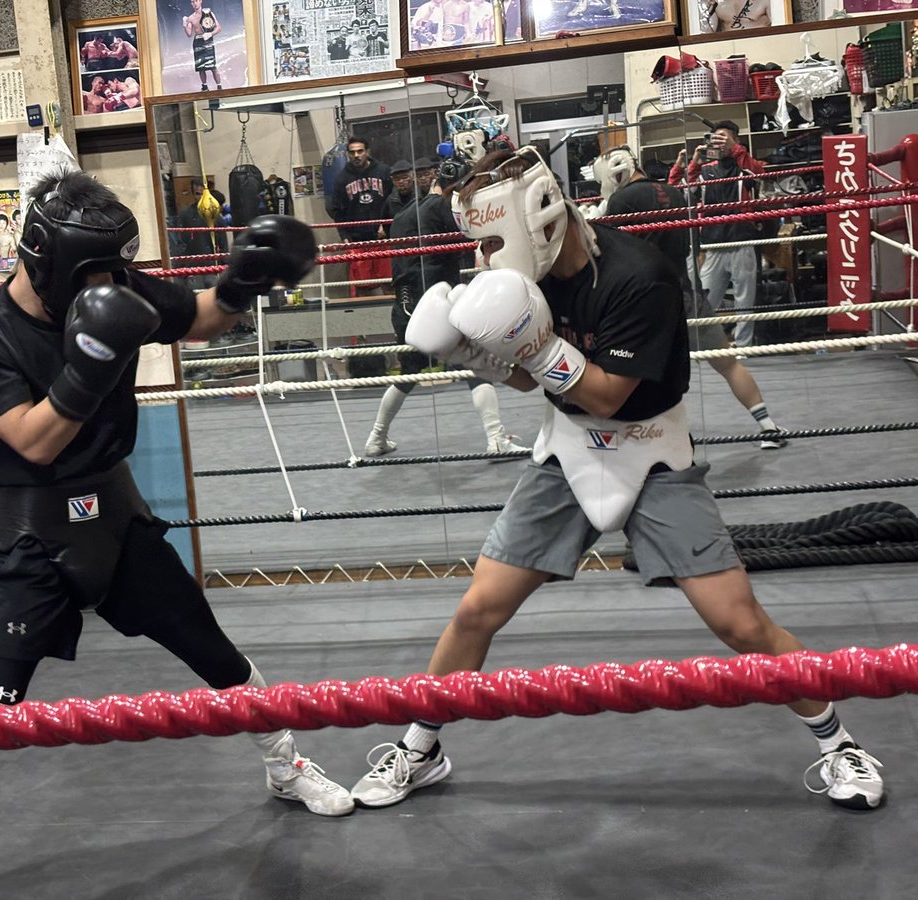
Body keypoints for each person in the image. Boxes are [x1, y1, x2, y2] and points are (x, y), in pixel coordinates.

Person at [347, 145, 884, 815]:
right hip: (567, 447)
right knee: (477, 609)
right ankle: (420, 749)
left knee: (740, 624)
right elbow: (525, 376)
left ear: (538, 219)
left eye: (491, 239)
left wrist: (537, 347)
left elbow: (605, 396)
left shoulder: (639, 277)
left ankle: (839, 744)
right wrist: (475, 356)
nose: (484, 258)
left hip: (650, 449)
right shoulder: (521, 274)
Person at [0, 170, 354, 900]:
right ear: (45, 261)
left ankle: (284, 765)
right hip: (36, 539)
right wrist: (92, 361)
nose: (111, 283)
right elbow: (33, 443)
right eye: (95, 272)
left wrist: (243, 282)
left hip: (121, 523)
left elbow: (200, 318)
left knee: (217, 656)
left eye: (116, 268)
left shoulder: (117, 288)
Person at [593, 146, 787, 449]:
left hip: (644, 303)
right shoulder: (673, 193)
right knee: (728, 363)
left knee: (625, 373)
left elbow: (607, 254)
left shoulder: (621, 200)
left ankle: (628, 444)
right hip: (685, 291)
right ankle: (768, 427)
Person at [364, 157, 524, 457]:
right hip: (435, 303)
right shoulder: (443, 209)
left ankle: (376, 437)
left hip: (405, 304)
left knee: (409, 373)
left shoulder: (405, 213)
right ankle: (496, 438)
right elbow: (480, 233)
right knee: (474, 364)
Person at [669, 121, 766, 349]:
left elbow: (760, 173)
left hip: (742, 240)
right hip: (713, 244)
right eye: (715, 138)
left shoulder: (744, 165)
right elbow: (679, 194)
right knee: (706, 302)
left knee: (745, 301)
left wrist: (735, 148)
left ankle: (743, 347)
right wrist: (687, 165)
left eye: (724, 138)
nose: (719, 142)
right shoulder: (705, 170)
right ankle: (704, 346)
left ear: (735, 140)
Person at [327, 135, 392, 296]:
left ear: (367, 152)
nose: (356, 155)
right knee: (361, 285)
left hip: (382, 237)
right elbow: (337, 210)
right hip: (357, 239)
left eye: (360, 151)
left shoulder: (383, 171)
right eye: (352, 152)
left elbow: (392, 201)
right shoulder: (342, 179)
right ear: (348, 154)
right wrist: (344, 236)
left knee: (389, 281)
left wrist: (386, 224)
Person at [183, 0, 222, 92]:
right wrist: (184, 25)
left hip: (208, 40)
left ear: (200, 1)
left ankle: (219, 87)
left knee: (213, 66)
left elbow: (219, 28)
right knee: (201, 67)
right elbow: (189, 34)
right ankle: (204, 86)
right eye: (192, 2)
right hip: (198, 42)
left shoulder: (208, 13)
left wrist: (210, 34)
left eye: (196, 1)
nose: (194, 3)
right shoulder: (191, 18)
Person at [703, 0, 772, 31]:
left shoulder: (764, 1)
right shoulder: (716, 3)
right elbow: (708, 33)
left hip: (760, 44)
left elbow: (778, 25)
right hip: (729, 47)